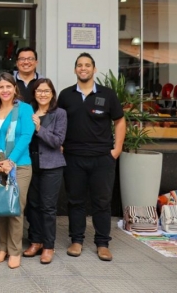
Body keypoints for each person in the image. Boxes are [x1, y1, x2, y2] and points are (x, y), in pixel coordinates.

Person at [58, 53, 124, 262]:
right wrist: (59, 144)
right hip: (73, 157)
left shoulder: (108, 94)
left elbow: (120, 121)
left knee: (102, 202)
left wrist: (117, 149)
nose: (83, 68)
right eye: (79, 65)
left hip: (102, 158)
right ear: (75, 69)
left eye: (87, 65)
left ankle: (102, 243)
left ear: (94, 69)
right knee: (75, 201)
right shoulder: (66, 95)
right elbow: (58, 121)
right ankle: (76, 240)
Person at [0, 72, 35, 270]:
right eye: (1, 87)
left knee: (14, 208)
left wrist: (11, 161)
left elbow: (26, 135)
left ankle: (15, 251)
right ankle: (2, 248)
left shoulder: (24, 109)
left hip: (19, 166)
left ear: (15, 88)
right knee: (0, 207)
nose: (5, 90)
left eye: (8, 86)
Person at [23, 78, 66, 265]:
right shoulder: (27, 111)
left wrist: (39, 128)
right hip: (30, 164)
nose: (42, 94)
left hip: (52, 166)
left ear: (52, 93)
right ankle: (36, 241)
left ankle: (49, 246)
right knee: (32, 205)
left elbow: (57, 141)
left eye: (46, 91)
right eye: (39, 91)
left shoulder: (59, 114)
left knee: (48, 207)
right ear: (34, 93)